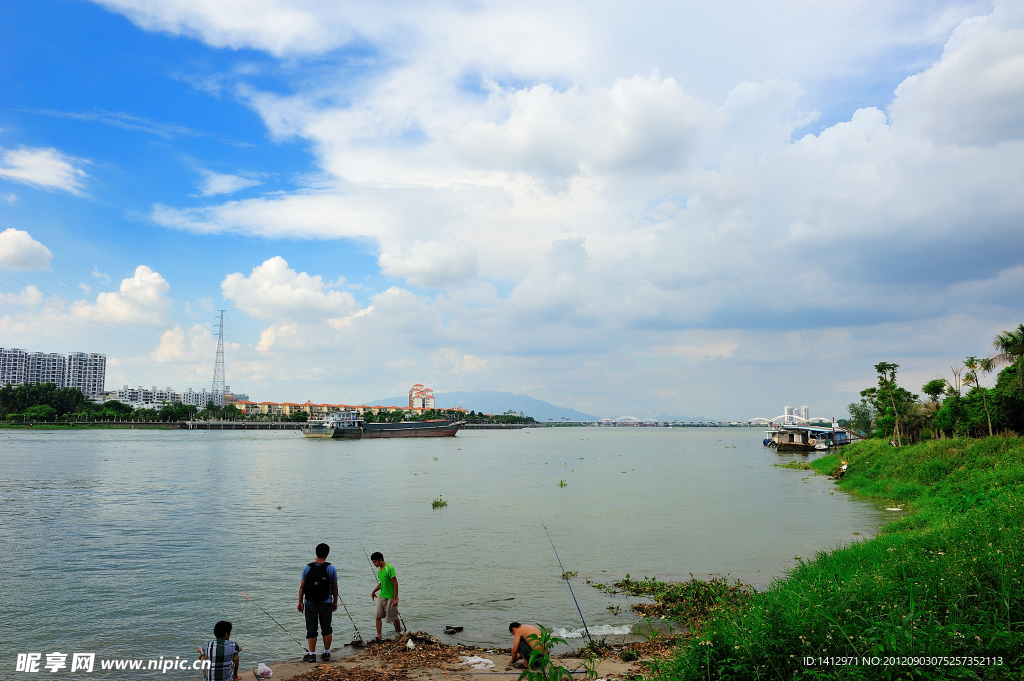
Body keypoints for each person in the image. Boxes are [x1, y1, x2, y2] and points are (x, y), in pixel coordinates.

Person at [297, 543, 340, 662]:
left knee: (311, 628)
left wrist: (300, 601)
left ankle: (312, 655)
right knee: (326, 628)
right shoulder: (331, 568)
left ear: (316, 553)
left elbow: (302, 586)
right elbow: (335, 587)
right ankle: (326, 653)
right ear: (327, 553)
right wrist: (335, 601)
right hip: (326, 602)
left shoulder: (308, 568)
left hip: (310, 602)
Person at [369, 551, 401, 641]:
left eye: (375, 562)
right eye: (373, 562)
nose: (374, 564)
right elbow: (381, 583)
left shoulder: (389, 568)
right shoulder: (380, 570)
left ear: (380, 560)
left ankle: (399, 633)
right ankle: (379, 636)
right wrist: (374, 591)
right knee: (377, 615)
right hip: (382, 596)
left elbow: (395, 583)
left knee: (394, 616)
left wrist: (395, 599)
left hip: (391, 597)